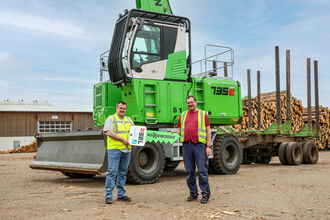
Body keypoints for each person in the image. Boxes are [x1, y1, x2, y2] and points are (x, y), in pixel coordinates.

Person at [174, 95, 212, 204]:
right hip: (187, 146)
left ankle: (205, 194)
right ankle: (193, 193)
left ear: (196, 102)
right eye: (188, 103)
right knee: (190, 172)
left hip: (199, 146)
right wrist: (174, 133)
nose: (190, 104)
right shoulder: (183, 115)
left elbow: (208, 131)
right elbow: (180, 130)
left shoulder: (203, 115)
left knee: (202, 171)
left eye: (192, 102)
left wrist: (208, 147)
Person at [103, 101, 134, 204]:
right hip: (115, 149)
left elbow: (134, 132)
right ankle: (108, 196)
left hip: (126, 149)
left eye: (124, 108)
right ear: (116, 108)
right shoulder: (111, 119)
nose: (122, 110)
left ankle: (121, 195)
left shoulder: (129, 120)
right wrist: (122, 140)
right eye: (120, 108)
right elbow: (109, 133)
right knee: (112, 172)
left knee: (123, 173)